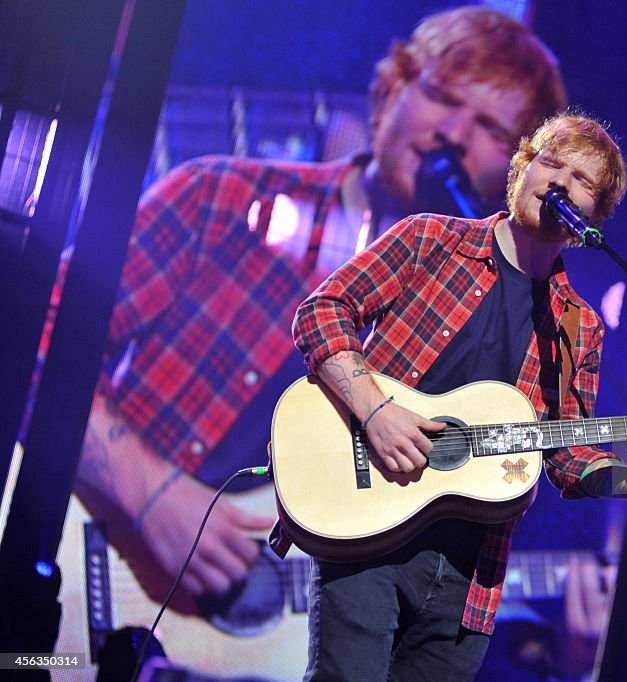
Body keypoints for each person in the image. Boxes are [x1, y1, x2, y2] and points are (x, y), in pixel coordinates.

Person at [71, 6, 569, 606]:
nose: (454, 135)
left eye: (491, 128)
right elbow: (33, 345)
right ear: (391, 91)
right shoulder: (222, 197)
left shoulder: (491, 328)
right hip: (87, 569)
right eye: (441, 96)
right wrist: (149, 492)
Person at [290, 111, 627, 681]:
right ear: (521, 170)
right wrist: (375, 411)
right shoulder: (429, 240)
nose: (558, 182)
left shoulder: (580, 326)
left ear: (595, 216)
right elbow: (323, 311)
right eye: (549, 162)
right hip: (368, 529)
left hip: (469, 577)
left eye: (580, 179)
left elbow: (568, 458)